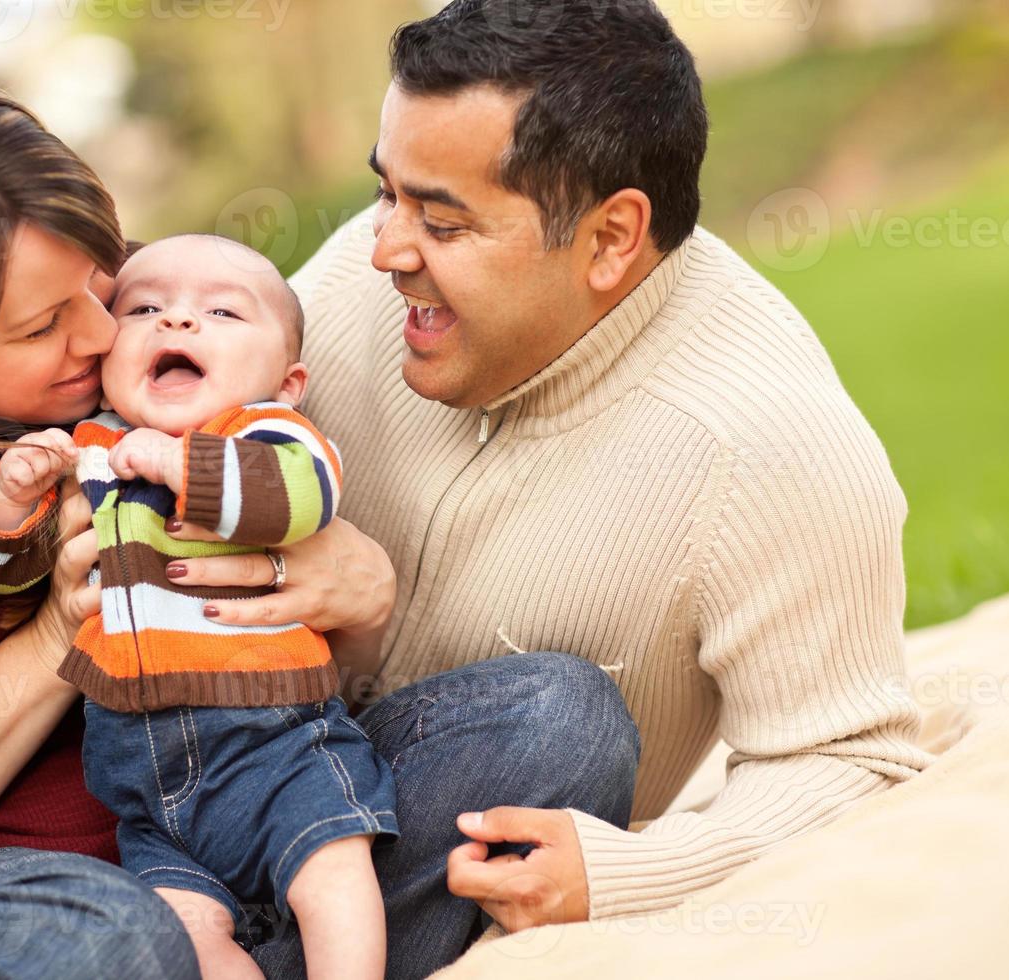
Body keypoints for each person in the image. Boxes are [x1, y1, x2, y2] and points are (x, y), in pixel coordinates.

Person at [0, 68, 640, 980]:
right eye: (43, 326)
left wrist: (360, 588)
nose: (101, 334)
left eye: (102, 286)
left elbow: (273, 572)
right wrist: (57, 629)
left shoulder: (141, 326)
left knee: (556, 719)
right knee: (106, 935)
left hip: (239, 822)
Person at [219, 0, 931, 953]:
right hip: (212, 771)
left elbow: (851, 756)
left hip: (407, 838)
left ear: (609, 239)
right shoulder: (360, 273)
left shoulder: (766, 447)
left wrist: (635, 869)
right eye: (386, 193)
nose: (385, 247)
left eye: (441, 219)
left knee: (560, 718)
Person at [0, 234, 397, 979]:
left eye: (224, 312)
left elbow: (300, 498)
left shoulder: (269, 434)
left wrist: (179, 463)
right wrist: (8, 505)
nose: (178, 323)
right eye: (145, 308)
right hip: (144, 792)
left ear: (287, 381)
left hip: (276, 748)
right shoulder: (87, 449)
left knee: (333, 873)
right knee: (182, 940)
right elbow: (5, 579)